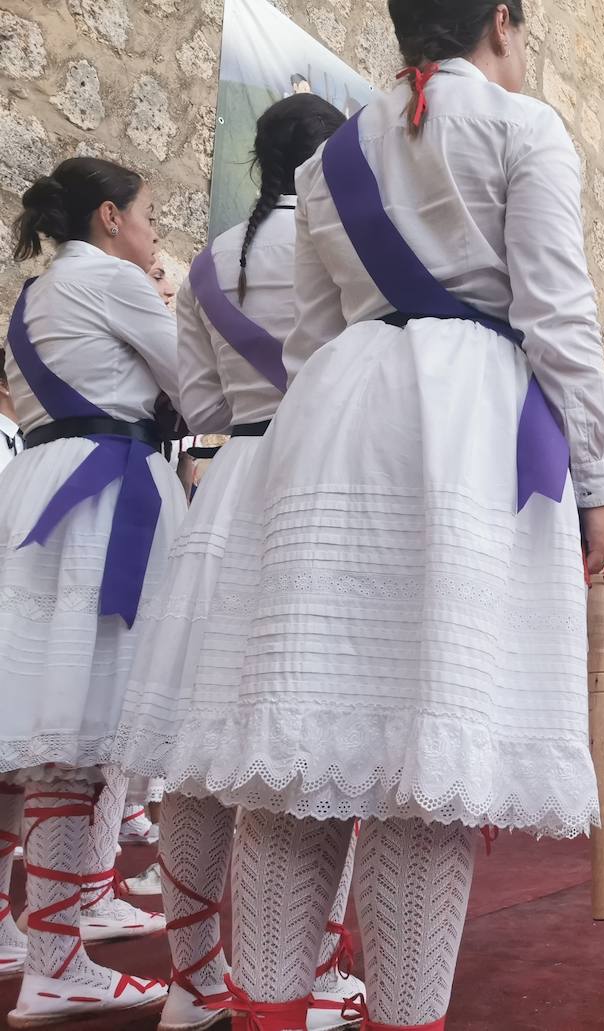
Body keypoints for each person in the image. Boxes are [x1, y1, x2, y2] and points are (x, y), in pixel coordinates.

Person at [137, 2, 604, 1025]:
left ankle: (265, 1009)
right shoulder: (523, 128)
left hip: (333, 416)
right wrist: (597, 478)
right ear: (501, 20)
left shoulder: (330, 159)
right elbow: (558, 316)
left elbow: (311, 337)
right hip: (466, 426)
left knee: (299, 742)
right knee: (425, 763)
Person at [112, 94, 365, 1030]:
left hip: (232, 485)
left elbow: (202, 404)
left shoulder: (212, 261)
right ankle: (313, 973)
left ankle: (192, 980)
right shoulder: (341, 237)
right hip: (320, 483)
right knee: (315, 740)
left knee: (196, 745)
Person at [0, 156, 185, 1022]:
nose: (153, 232)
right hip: (105, 497)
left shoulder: (33, 295)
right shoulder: (115, 281)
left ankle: (50, 947)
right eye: (147, 215)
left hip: (40, 492)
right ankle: (59, 956)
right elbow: (194, 382)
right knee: (87, 730)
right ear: (110, 217)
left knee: (58, 728)